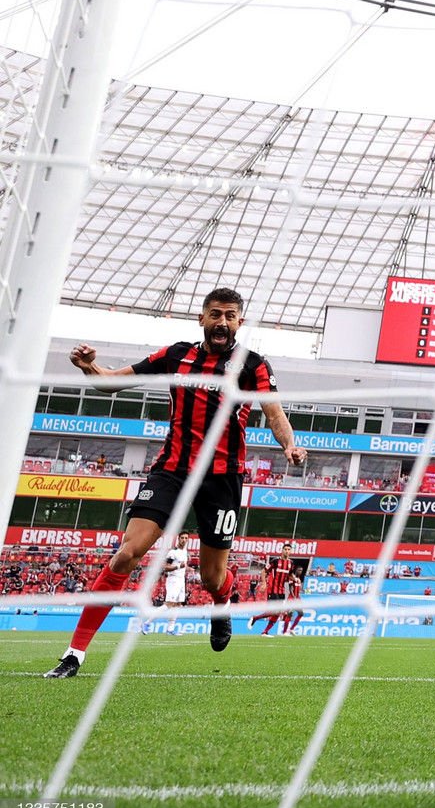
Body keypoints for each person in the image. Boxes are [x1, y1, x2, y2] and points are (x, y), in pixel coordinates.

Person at [45, 288, 306, 678]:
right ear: (202, 319)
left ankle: (223, 601)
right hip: (171, 471)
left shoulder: (253, 365)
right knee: (126, 554)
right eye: (215, 314)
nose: (222, 322)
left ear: (239, 322)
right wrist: (89, 369)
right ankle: (74, 654)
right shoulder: (175, 356)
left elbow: (274, 412)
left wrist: (290, 444)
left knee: (211, 575)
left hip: (222, 480)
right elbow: (112, 382)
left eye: (230, 315)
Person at [251, 545, 296, 637]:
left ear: (290, 551)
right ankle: (255, 618)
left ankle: (264, 632)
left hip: (281, 591)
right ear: (282, 550)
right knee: (273, 611)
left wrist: (295, 579)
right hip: (273, 589)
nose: (287, 551)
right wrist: (264, 583)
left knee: (278, 612)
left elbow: (290, 574)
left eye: (289, 550)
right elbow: (264, 571)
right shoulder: (275, 561)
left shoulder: (291, 563)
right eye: (285, 549)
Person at [158, 532, 191, 636]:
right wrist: (178, 567)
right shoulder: (173, 552)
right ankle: (147, 622)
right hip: (174, 580)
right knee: (169, 604)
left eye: (186, 538)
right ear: (178, 538)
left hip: (181, 580)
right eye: (182, 538)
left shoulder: (184, 551)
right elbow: (166, 567)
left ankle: (170, 629)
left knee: (177, 604)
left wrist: (188, 568)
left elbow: (182, 565)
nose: (184, 540)